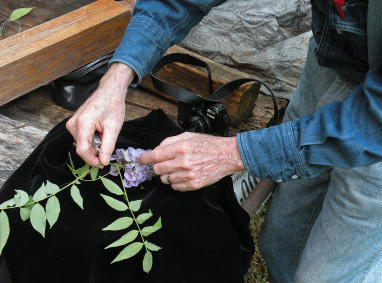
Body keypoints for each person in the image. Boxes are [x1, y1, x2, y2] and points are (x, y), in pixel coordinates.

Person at [66, 0, 382, 281]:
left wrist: (234, 153)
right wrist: (117, 80)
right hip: (338, 52)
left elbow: (374, 122)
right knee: (281, 245)